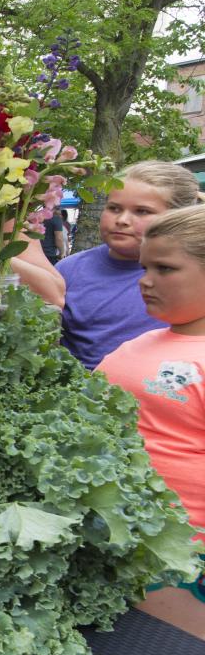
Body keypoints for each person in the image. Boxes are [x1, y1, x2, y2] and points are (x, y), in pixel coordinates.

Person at [97, 206, 205, 558]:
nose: (144, 280)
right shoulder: (138, 343)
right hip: (111, 537)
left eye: (165, 269)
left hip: (183, 555)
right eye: (145, 267)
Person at [59, 161, 203, 369]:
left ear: (179, 217)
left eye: (142, 211)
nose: (122, 220)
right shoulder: (69, 270)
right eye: (114, 208)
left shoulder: (192, 277)